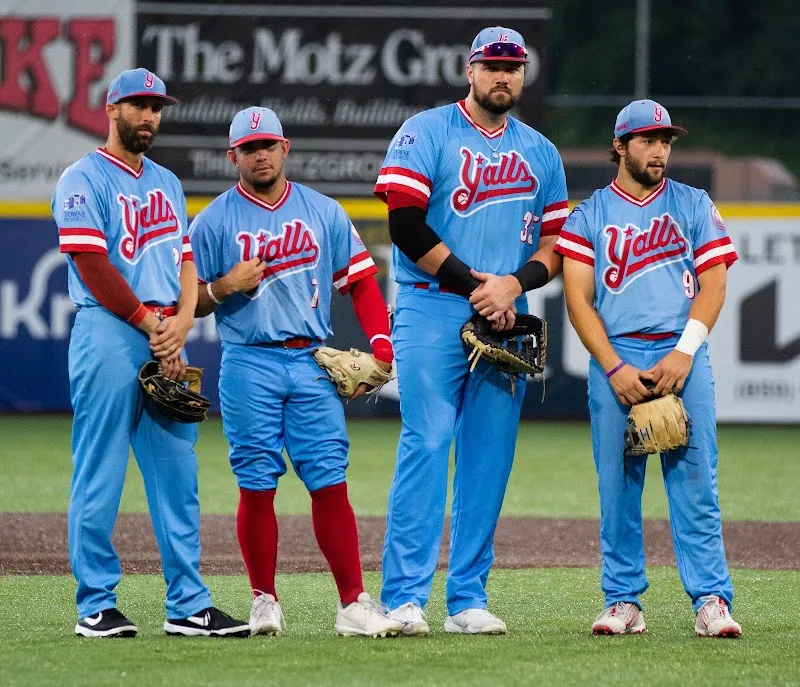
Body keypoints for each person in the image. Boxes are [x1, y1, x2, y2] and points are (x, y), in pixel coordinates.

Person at [373, 26, 568, 635]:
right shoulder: (426, 131)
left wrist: (512, 284)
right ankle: (404, 597)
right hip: (433, 305)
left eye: (514, 66)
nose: (504, 76)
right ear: (470, 69)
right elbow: (404, 225)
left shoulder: (541, 151)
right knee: (427, 441)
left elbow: (558, 241)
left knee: (489, 456)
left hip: (504, 312)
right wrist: (478, 287)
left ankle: (466, 598)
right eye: (493, 65)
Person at [190, 106, 404, 638]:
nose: (259, 155)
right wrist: (222, 288)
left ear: (285, 149)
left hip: (311, 360)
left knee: (330, 481)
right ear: (232, 156)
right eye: (248, 148)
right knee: (256, 484)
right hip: (247, 360)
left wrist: (380, 343)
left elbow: (359, 281)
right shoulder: (214, 220)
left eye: (268, 145)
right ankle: (264, 599)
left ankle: (353, 603)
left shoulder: (322, 211)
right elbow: (186, 302)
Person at [51, 68, 248, 638]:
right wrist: (148, 323)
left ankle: (188, 603)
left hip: (164, 329)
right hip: (110, 330)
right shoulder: (82, 178)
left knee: (178, 475)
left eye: (156, 107)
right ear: (111, 110)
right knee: (100, 470)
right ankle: (95, 603)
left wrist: (181, 323)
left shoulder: (165, 180)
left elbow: (186, 260)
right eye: (138, 106)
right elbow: (92, 263)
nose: (149, 116)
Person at [555, 99, 742, 638]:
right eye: (647, 140)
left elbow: (714, 284)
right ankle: (623, 601)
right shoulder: (588, 215)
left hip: (681, 352)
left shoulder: (692, 203)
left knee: (694, 481)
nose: (659, 150)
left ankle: (711, 599)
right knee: (617, 487)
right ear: (620, 146)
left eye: (666, 140)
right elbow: (577, 299)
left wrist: (685, 351)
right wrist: (613, 368)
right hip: (617, 358)